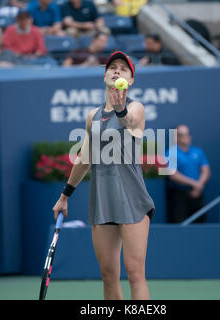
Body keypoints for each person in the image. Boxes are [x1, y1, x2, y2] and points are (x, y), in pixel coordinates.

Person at [52, 51, 155, 300]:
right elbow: (84, 158)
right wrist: (65, 196)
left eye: (123, 69)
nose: (116, 71)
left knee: (134, 273)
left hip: (132, 200)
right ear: (105, 75)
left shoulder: (136, 108)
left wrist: (120, 111)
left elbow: (131, 123)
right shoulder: (92, 116)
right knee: (108, 275)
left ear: (130, 80)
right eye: (112, 67)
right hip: (103, 201)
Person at [165, 124, 211, 223]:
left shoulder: (198, 152)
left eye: (187, 134)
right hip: (179, 195)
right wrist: (195, 184)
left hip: (198, 193)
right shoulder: (170, 152)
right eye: (182, 135)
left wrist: (199, 185)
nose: (186, 137)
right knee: (180, 224)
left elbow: (206, 170)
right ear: (176, 137)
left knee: (200, 223)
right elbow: (172, 175)